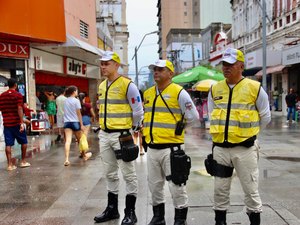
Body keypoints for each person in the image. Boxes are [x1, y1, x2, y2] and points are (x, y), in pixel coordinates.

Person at [207, 48, 271, 225]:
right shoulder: (214, 89)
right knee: (220, 189)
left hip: (245, 149)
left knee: (250, 190)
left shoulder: (254, 88)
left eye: (231, 64)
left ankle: (255, 220)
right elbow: (212, 115)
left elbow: (265, 116)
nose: (226, 68)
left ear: (241, 66)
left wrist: (251, 135)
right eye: (224, 64)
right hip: (220, 149)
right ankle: (220, 222)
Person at [143, 60, 199, 225]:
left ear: (170, 73)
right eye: (155, 69)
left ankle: (180, 219)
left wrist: (179, 129)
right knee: (154, 185)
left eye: (161, 69)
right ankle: (158, 217)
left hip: (172, 149)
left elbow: (193, 117)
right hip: (152, 148)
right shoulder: (148, 93)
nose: (156, 72)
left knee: (176, 185)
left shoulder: (179, 92)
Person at [94, 51, 144, 225]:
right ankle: (112, 209)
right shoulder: (102, 86)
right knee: (109, 173)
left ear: (116, 64)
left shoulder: (127, 85)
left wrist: (134, 128)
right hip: (105, 134)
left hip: (122, 136)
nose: (103, 66)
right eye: (102, 63)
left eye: (106, 63)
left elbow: (138, 110)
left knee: (128, 174)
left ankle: (130, 212)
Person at [0, 78, 31, 171]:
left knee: (8, 144)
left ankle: (9, 165)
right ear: (15, 85)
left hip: (7, 124)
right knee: (23, 142)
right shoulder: (18, 95)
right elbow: (19, 108)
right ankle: (23, 161)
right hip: (17, 123)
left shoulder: (2, 96)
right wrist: (22, 122)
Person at [63, 85, 92, 166]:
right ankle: (84, 155)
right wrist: (81, 124)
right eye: (76, 91)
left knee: (68, 141)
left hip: (67, 122)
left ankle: (66, 159)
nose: (77, 92)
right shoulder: (76, 101)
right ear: (73, 92)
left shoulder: (65, 101)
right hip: (75, 122)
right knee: (80, 140)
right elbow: (78, 113)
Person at [132, 89, 145, 155]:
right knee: (140, 135)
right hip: (141, 117)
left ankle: (136, 150)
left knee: (136, 135)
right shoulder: (142, 101)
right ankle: (140, 150)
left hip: (136, 118)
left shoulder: (133, 97)